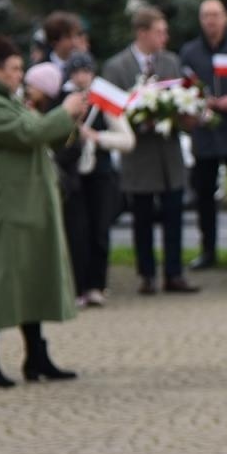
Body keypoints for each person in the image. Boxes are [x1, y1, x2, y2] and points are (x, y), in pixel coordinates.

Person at [0, 37, 90, 387]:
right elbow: (30, 132)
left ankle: (37, 356)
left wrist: (72, 119)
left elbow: (44, 134)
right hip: (6, 204)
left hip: (27, 202)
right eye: (14, 69)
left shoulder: (4, 100)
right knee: (2, 279)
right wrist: (65, 111)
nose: (20, 76)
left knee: (31, 277)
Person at [102, 6, 199, 296]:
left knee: (173, 213)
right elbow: (112, 108)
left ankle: (174, 273)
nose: (164, 37)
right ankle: (146, 274)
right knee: (142, 217)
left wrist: (185, 113)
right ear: (142, 33)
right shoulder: (117, 66)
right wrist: (139, 119)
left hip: (168, 154)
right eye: (159, 32)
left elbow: (182, 98)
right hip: (140, 156)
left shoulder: (171, 62)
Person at [180, 0, 227, 270]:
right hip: (205, 136)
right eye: (205, 16)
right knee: (204, 195)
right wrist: (201, 101)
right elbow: (182, 87)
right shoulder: (190, 53)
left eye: (215, 15)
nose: (211, 21)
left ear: (226, 18)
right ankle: (208, 249)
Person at [57, 52, 133, 307]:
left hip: (100, 174)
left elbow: (127, 140)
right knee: (77, 231)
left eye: (85, 71)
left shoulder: (103, 100)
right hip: (73, 176)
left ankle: (96, 284)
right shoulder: (62, 99)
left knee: (100, 230)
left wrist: (98, 137)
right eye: (76, 72)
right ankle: (76, 285)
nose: (81, 77)